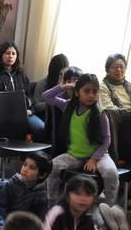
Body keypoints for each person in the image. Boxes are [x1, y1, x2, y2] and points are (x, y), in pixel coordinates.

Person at [43, 72, 121, 209]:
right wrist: (65, 86)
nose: (91, 95)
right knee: (53, 166)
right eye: (86, 91)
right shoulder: (68, 106)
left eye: (95, 92)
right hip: (75, 155)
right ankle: (52, 204)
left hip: (99, 156)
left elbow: (107, 140)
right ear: (77, 92)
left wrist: (94, 159)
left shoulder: (101, 113)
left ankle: (109, 208)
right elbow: (46, 96)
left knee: (111, 173)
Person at [0, 41, 45, 141]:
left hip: (25, 114)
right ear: (0, 55)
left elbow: (29, 97)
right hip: (2, 115)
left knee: (41, 128)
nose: (11, 56)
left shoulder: (21, 75)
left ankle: (32, 151)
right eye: (7, 53)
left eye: (13, 54)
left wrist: (30, 110)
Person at [0, 151, 51, 221]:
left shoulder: (41, 196)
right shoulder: (12, 183)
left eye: (32, 168)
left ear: (42, 175)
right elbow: (0, 207)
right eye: (25, 164)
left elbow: (38, 221)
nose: (25, 169)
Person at [31, 53, 69, 121]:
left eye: (65, 73)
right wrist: (54, 101)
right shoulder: (43, 83)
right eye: (60, 73)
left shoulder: (67, 83)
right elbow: (37, 106)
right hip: (44, 116)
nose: (62, 76)